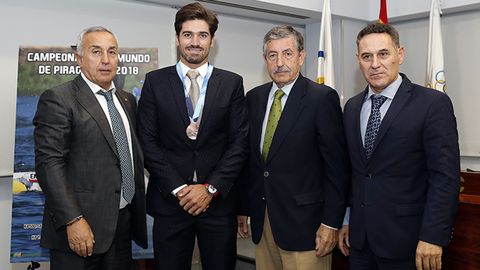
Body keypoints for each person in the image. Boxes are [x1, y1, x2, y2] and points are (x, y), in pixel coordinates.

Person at [338, 22, 460, 270]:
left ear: (400, 54)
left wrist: (433, 236)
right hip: (360, 244)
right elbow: (355, 172)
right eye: (366, 56)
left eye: (383, 54)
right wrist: (348, 219)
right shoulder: (351, 107)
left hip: (411, 243)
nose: (375, 64)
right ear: (358, 60)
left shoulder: (432, 104)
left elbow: (445, 178)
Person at [136, 3, 248, 270]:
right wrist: (180, 189)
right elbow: (147, 141)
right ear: (177, 39)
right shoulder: (155, 81)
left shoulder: (232, 83)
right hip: (170, 203)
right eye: (188, 34)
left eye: (202, 35)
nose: (195, 42)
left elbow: (239, 143)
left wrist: (209, 189)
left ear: (212, 40)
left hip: (218, 204)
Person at [33, 26, 147, 269]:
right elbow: (49, 165)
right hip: (79, 231)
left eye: (112, 52)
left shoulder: (127, 101)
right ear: (79, 58)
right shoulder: (59, 99)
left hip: (121, 226)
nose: (106, 60)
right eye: (96, 52)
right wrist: (73, 220)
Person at [237, 25, 350, 270]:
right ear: (264, 59)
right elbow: (252, 162)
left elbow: (337, 169)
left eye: (287, 54)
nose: (280, 62)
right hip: (263, 222)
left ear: (301, 56)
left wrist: (331, 223)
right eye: (272, 55)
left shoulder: (321, 99)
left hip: (307, 227)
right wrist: (244, 208)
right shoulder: (254, 98)